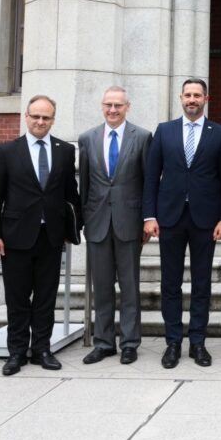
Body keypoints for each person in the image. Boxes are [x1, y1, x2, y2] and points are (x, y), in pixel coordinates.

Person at [0, 95, 82, 376]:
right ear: (26, 117)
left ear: (53, 120)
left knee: (45, 297)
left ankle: (41, 349)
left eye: (46, 117)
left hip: (51, 237)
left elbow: (71, 194)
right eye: (36, 116)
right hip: (15, 237)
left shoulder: (65, 151)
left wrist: (72, 229)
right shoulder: (8, 151)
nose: (40, 122)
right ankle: (16, 352)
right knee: (17, 298)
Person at [143, 78, 221, 369]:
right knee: (170, 283)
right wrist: (149, 215)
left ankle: (198, 342)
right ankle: (173, 342)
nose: (192, 99)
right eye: (188, 95)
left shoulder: (219, 134)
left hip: (205, 219)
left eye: (197, 95)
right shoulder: (164, 131)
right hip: (169, 217)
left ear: (206, 99)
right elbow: (151, 176)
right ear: (181, 98)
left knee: (201, 283)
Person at [78, 86, 151, 365]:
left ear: (127, 107)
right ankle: (104, 342)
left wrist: (147, 219)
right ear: (102, 106)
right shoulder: (87, 138)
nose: (112, 110)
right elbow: (85, 184)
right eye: (108, 105)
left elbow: (147, 182)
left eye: (118, 105)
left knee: (129, 286)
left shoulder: (142, 137)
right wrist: (84, 220)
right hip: (97, 222)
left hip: (129, 222)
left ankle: (130, 343)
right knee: (102, 286)